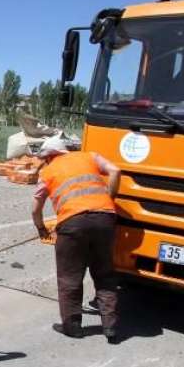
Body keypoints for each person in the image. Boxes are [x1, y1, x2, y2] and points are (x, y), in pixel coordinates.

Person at [31, 136, 121, 344]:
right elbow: (116, 171)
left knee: (69, 276)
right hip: (105, 219)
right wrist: (110, 199)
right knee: (104, 274)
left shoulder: (48, 171)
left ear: (49, 156)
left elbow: (36, 208)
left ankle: (72, 327)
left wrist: (41, 228)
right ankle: (111, 326)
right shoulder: (89, 156)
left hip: (72, 224)